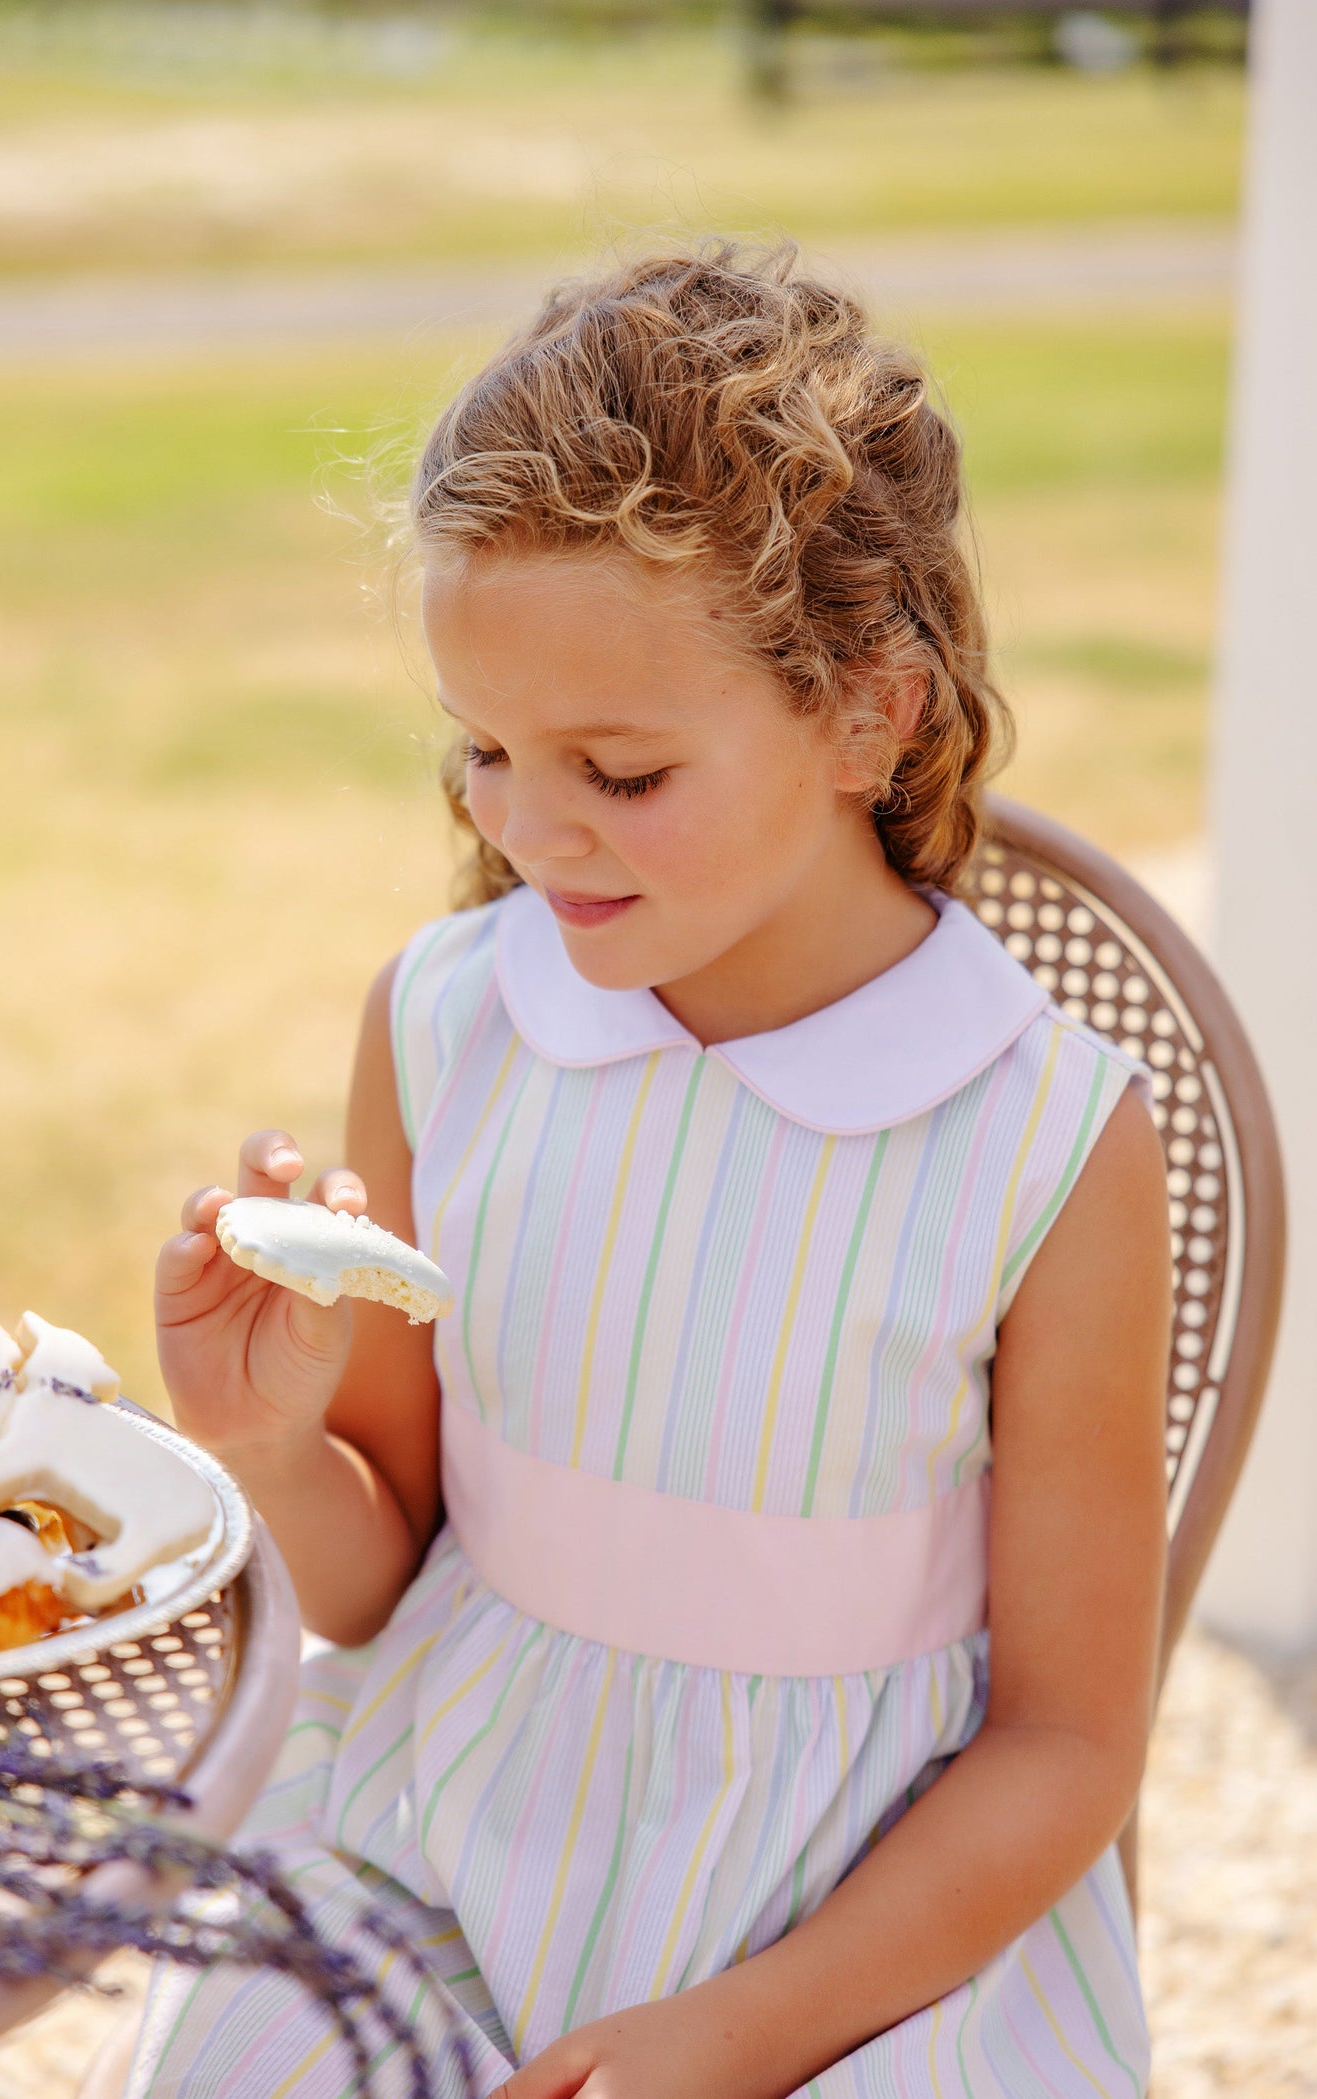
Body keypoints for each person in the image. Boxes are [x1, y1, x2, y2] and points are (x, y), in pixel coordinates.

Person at [130, 244, 1173, 2098]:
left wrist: (733, 2037)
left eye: (616, 770)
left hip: (860, 1948)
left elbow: (1070, 1746)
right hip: (434, 1852)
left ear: (871, 709)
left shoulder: (1045, 1142)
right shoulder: (450, 1024)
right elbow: (382, 1582)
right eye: (486, 752)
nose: (530, 832)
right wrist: (272, 1447)